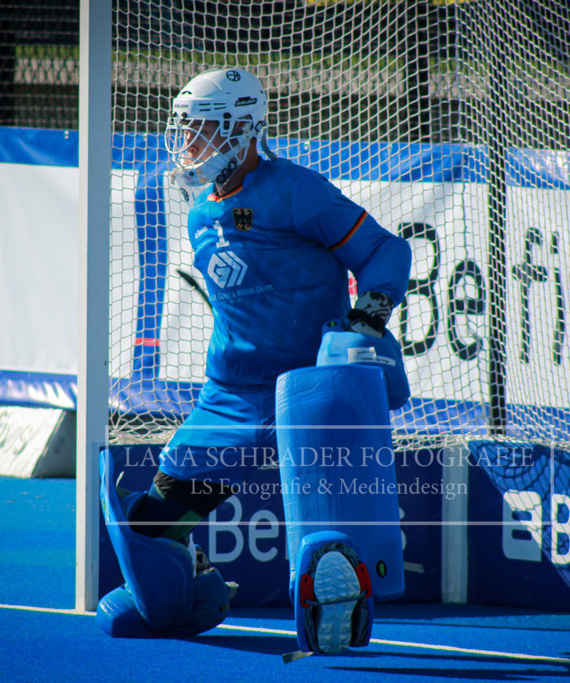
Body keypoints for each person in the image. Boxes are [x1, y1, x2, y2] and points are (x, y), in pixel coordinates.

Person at [98, 66, 412, 648]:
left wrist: (369, 312)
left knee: (327, 526)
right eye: (185, 129)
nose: (187, 143)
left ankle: (341, 598)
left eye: (201, 129)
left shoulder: (295, 190)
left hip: (306, 389)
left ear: (242, 130)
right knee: (149, 529)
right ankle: (189, 590)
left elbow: (384, 250)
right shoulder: (198, 216)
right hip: (228, 398)